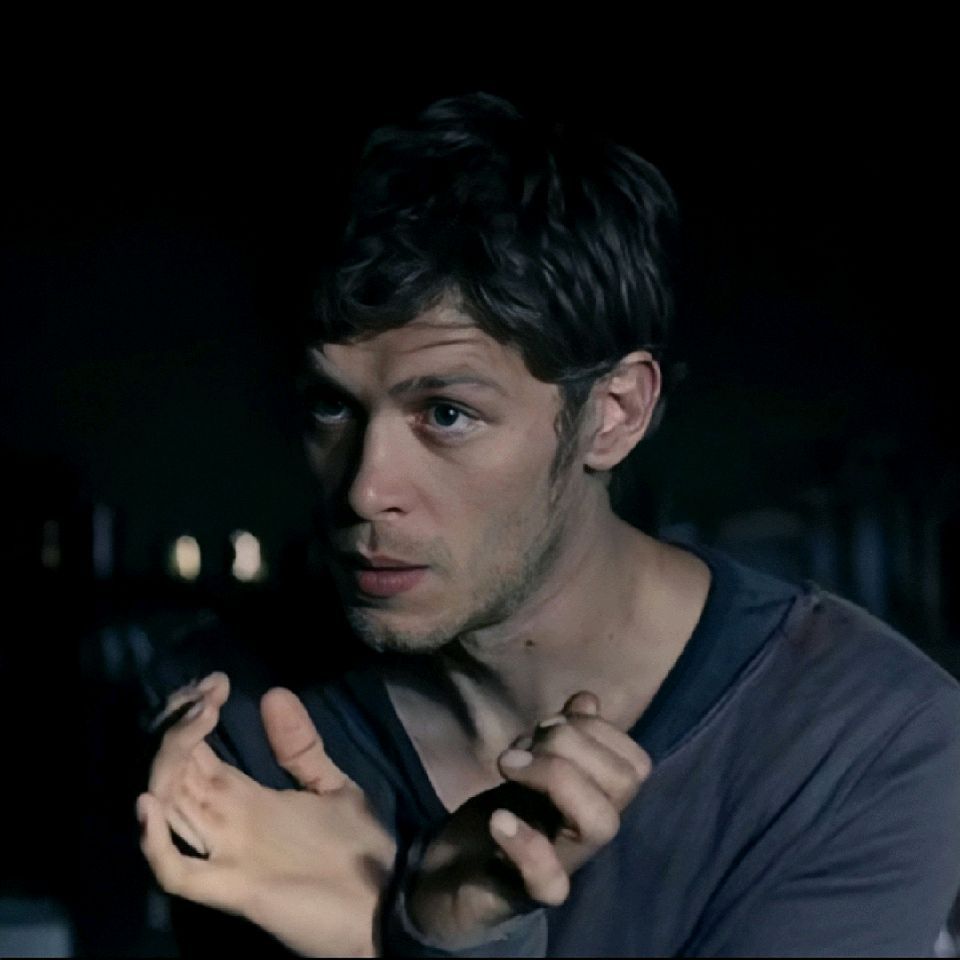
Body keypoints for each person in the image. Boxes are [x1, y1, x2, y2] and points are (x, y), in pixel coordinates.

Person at [137, 93, 960, 956]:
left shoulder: (866, 740)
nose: (366, 489)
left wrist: (411, 934)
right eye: (332, 406)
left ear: (613, 413)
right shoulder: (235, 714)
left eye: (447, 413)